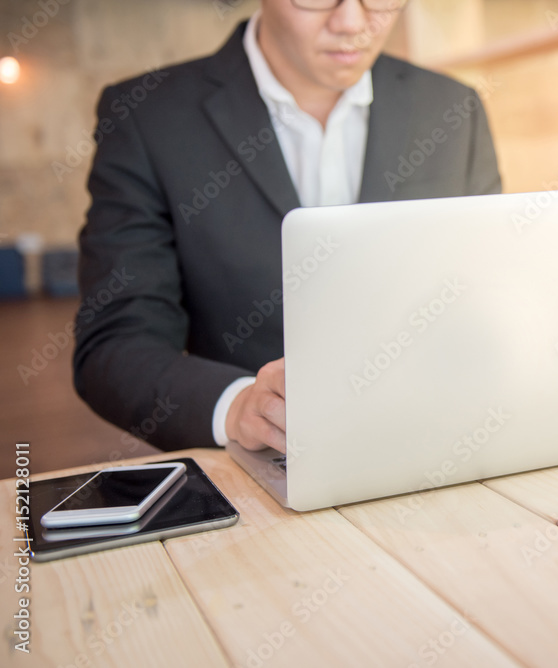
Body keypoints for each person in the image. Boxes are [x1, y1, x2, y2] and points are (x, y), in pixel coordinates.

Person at [73, 0, 502, 455]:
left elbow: (490, 296)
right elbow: (116, 343)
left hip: (436, 444)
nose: (352, 22)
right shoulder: (149, 117)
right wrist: (238, 407)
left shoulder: (454, 109)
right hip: (258, 471)